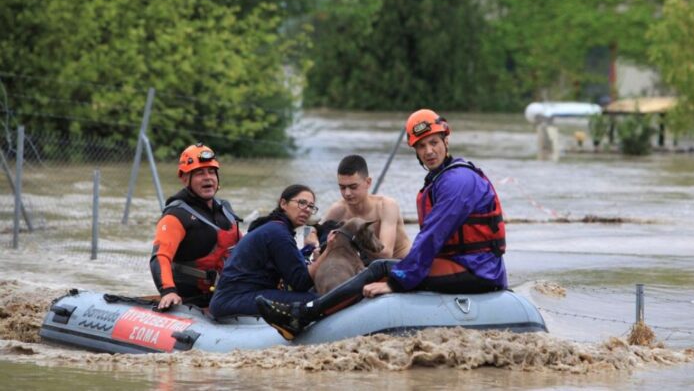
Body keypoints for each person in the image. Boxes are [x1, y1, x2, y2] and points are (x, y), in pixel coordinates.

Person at [255, 109, 507, 340]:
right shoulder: (440, 179)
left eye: (433, 143)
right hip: (465, 264)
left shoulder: (457, 181)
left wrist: (397, 281)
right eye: (421, 146)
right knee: (380, 268)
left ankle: (303, 315)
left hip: (477, 270)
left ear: (446, 141)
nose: (429, 151)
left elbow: (431, 237)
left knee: (380, 268)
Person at [208, 184, 329, 318]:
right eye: (302, 203)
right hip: (235, 299)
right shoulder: (278, 233)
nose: (307, 209)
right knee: (316, 301)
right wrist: (327, 252)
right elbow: (301, 282)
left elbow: (291, 266)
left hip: (232, 297)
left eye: (311, 206)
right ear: (283, 203)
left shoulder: (273, 227)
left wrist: (310, 251)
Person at [150, 143, 242, 309]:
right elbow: (160, 257)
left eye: (212, 172)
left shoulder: (225, 209)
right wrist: (168, 291)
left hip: (225, 295)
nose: (207, 177)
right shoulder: (176, 215)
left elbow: (245, 249)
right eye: (199, 173)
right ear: (185, 178)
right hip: (190, 301)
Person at [304, 154, 411, 260]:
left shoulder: (386, 206)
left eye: (353, 187)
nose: (347, 193)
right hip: (365, 266)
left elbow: (386, 254)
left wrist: (352, 237)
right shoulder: (338, 210)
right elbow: (316, 232)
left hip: (400, 264)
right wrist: (313, 235)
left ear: (368, 182)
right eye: (342, 187)